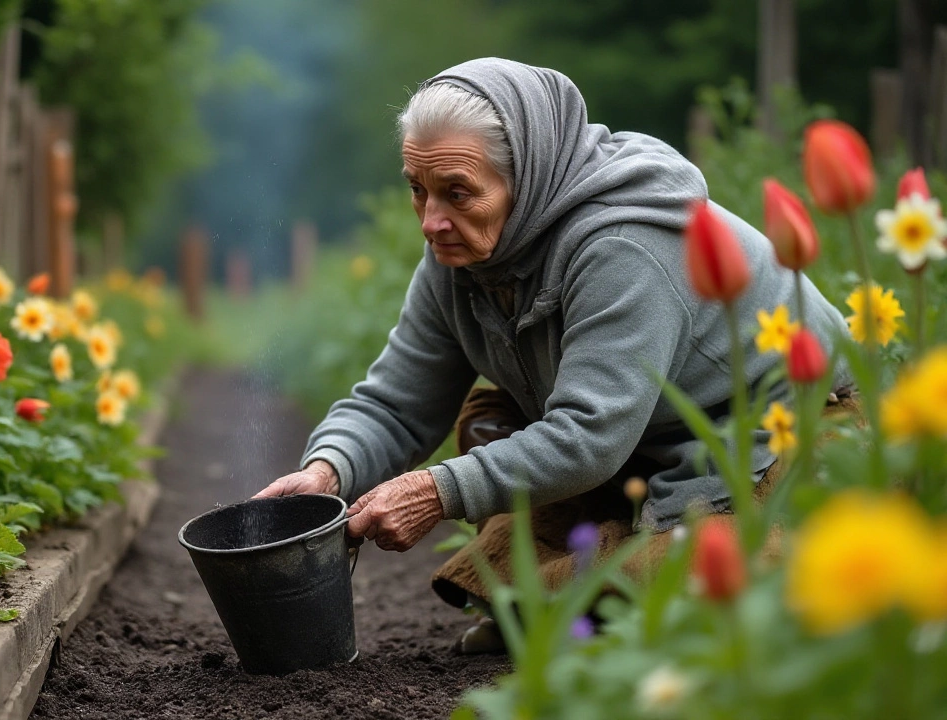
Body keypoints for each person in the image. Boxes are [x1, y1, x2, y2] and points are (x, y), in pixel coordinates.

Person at [254, 58, 852, 652]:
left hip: (777, 434)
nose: (432, 221)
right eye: (418, 189)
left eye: (458, 192)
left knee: (702, 570)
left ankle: (572, 611)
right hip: (646, 447)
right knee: (496, 441)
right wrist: (326, 471)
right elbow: (397, 405)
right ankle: (569, 609)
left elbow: (589, 436)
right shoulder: (458, 256)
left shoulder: (623, 245)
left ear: (532, 174)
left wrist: (434, 492)